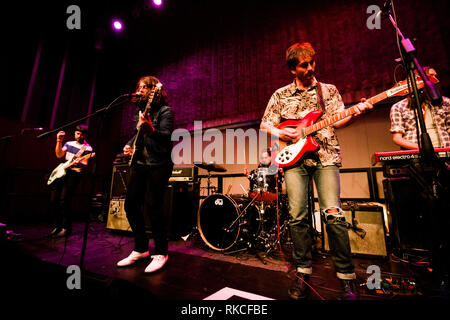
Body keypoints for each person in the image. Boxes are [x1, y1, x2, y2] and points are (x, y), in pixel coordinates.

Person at [260, 42, 372, 300]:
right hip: (294, 161)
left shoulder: (328, 90)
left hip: (325, 156)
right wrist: (281, 131)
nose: (310, 68)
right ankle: (302, 273)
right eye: (303, 65)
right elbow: (265, 123)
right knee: (298, 217)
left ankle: (346, 278)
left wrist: (355, 112)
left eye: (312, 63)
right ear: (292, 69)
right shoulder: (280, 95)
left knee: (333, 214)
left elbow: (339, 119)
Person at [117, 75, 174, 274]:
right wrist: (130, 143)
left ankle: (161, 252)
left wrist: (150, 130)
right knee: (130, 205)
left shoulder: (166, 112)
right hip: (139, 164)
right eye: (138, 87)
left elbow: (166, 137)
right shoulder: (140, 111)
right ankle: (141, 248)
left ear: (153, 91)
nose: (139, 90)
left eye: (143, 87)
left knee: (153, 207)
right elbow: (138, 133)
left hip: (159, 164)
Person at [48, 124, 94, 237]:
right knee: (54, 200)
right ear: (74, 133)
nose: (79, 136)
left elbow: (85, 162)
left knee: (64, 200)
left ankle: (66, 228)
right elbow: (59, 155)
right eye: (77, 133)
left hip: (74, 173)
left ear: (85, 135)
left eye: (81, 134)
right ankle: (58, 226)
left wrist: (79, 160)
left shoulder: (88, 148)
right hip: (62, 172)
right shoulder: (68, 143)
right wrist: (59, 141)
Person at [390, 67, 450, 150]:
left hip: (445, 151)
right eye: (431, 76)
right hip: (416, 155)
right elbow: (397, 138)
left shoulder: (446, 102)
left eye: (436, 76)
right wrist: (423, 149)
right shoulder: (399, 107)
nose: (435, 80)